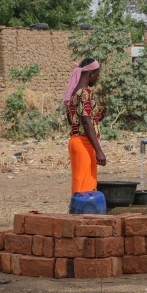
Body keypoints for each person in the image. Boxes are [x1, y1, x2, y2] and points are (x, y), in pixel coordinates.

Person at [63, 58, 107, 194]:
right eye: (97, 75)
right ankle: (84, 214)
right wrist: (98, 150)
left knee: (79, 185)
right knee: (86, 188)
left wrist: (97, 116)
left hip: (75, 142)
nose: (97, 79)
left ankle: (78, 213)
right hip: (84, 143)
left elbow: (73, 122)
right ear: (91, 73)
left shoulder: (73, 93)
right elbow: (86, 123)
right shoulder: (85, 93)